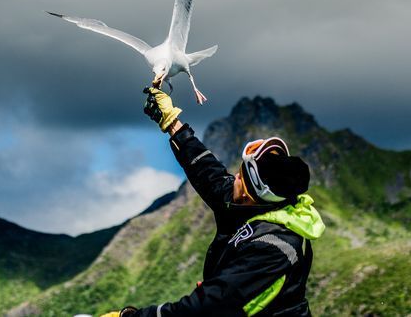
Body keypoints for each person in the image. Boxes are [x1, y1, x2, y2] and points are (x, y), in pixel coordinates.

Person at [102, 87, 325, 317]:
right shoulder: (256, 205)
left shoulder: (273, 245)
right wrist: (172, 123)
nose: (233, 178)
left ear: (250, 194)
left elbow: (205, 308)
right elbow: (208, 172)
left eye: (240, 177)